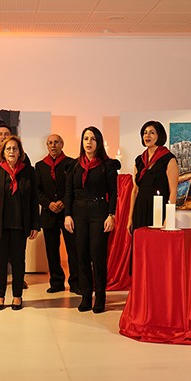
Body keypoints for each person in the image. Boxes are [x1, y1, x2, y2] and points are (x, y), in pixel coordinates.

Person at [64, 127, 118, 314]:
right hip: (78, 213)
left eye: (92, 139)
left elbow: (113, 193)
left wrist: (111, 215)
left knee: (97, 254)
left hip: (99, 212)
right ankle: (86, 296)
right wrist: (67, 215)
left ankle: (100, 296)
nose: (88, 142)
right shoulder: (74, 166)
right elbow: (69, 192)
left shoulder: (107, 165)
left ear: (98, 142)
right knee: (82, 255)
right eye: (86, 138)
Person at [0, 136, 40, 311]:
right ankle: (0, 296)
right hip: (0, 225)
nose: (11, 152)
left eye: (15, 149)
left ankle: (17, 296)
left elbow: (33, 200)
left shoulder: (28, 171)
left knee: (18, 262)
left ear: (20, 152)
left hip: (20, 225)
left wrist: (35, 225)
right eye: (8, 149)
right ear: (3, 152)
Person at [35, 134, 80, 294]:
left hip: (68, 214)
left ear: (62, 144)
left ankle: (76, 282)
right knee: (52, 251)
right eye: (50, 143)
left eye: (56, 142)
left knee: (73, 249)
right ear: (47, 146)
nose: (53, 145)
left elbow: (75, 187)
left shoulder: (72, 163)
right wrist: (48, 203)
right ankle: (56, 282)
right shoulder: (39, 166)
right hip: (49, 214)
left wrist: (63, 201)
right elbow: (37, 190)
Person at [128, 120, 179, 232]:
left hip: (159, 210)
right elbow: (135, 190)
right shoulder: (139, 160)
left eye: (152, 132)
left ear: (159, 135)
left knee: (156, 246)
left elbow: (173, 191)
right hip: (140, 209)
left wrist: (168, 218)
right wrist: (130, 218)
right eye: (145, 132)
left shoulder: (169, 159)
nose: (147, 135)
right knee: (140, 247)